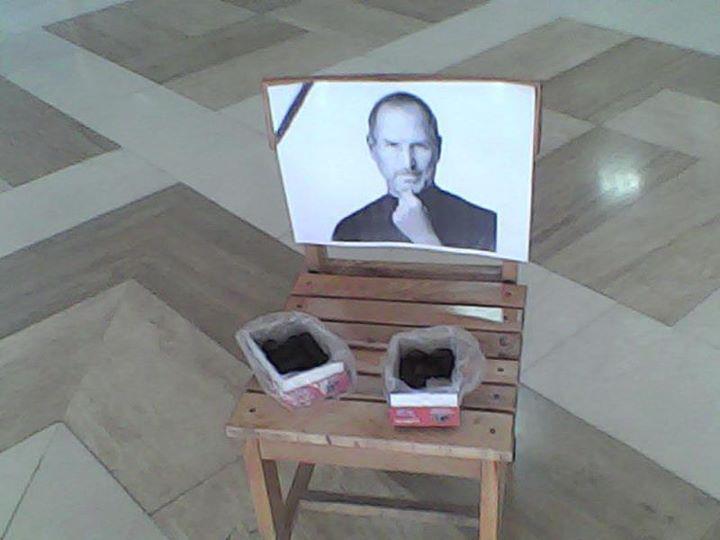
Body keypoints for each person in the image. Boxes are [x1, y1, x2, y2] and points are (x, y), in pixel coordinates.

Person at [332, 92, 497, 251]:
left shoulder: (485, 226)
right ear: (372, 148)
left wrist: (424, 237)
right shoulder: (350, 231)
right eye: (393, 145)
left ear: (438, 148)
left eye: (420, 146)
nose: (408, 163)